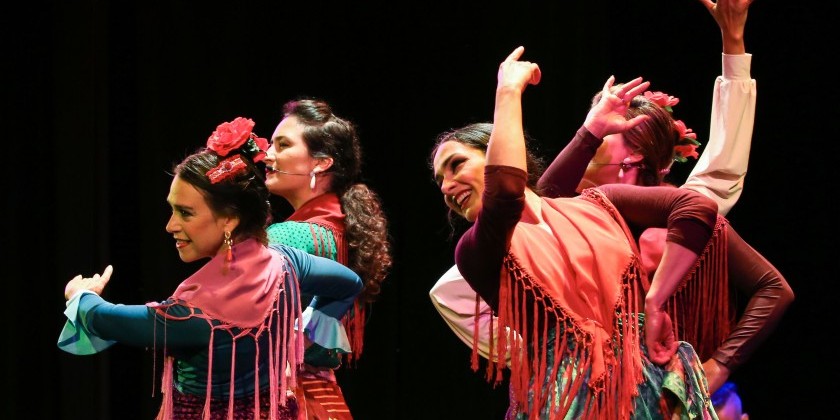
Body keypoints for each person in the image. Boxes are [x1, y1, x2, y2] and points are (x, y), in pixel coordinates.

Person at [429, 0, 793, 410]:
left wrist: (716, 363)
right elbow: (528, 200)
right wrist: (544, 355)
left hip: (658, 384)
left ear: (631, 157)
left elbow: (720, 174)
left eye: (602, 138)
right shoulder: (570, 207)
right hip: (571, 389)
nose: (446, 187)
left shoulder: (634, 215)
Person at [57, 117, 364, 420]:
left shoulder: (196, 314)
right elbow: (349, 283)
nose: (170, 225)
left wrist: (81, 298)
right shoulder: (286, 261)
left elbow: (108, 319)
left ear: (230, 219)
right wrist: (299, 338)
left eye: (185, 213)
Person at [262, 98, 392, 419]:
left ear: (320, 163)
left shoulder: (289, 237)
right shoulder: (336, 229)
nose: (267, 155)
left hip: (285, 400)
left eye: (283, 145)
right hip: (321, 399)